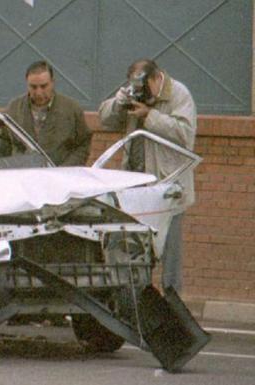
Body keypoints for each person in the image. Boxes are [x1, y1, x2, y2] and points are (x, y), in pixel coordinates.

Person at [98, 59, 197, 293]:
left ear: (155, 78)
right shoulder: (135, 94)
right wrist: (119, 102)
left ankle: (173, 307)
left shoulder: (179, 95)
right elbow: (105, 119)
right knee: (135, 253)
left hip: (167, 189)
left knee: (169, 255)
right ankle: (139, 303)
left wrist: (149, 115)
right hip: (135, 190)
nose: (143, 94)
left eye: (145, 88)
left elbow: (185, 135)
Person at [5, 60, 91, 166]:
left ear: (52, 82)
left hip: (60, 177)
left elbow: (83, 145)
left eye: (44, 86)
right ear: (27, 84)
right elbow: (2, 146)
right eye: (33, 87)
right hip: (22, 176)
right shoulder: (14, 108)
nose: (39, 92)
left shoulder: (72, 109)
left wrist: (66, 170)